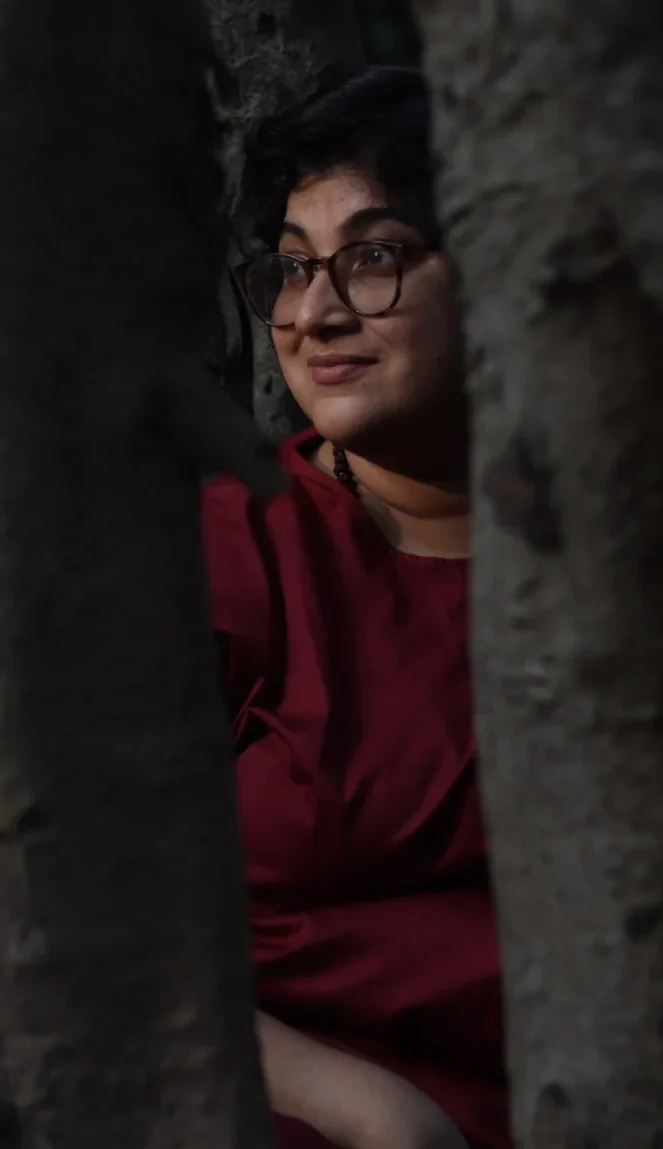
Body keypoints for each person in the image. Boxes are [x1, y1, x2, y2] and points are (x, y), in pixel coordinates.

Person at [202, 67, 511, 1149]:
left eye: (374, 256)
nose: (317, 312)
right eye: (291, 269)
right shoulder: (233, 549)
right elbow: (65, 914)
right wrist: (379, 1115)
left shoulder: (608, 559)